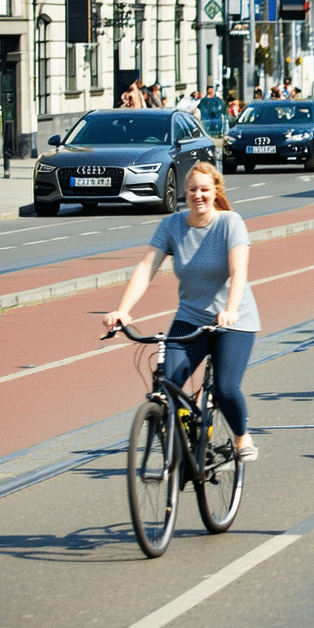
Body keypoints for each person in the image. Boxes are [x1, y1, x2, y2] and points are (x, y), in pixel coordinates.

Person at [103, 163, 261, 462]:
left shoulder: (230, 222)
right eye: (192, 190)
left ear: (216, 191)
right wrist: (122, 310)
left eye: (204, 189)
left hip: (234, 321)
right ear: (184, 193)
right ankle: (189, 436)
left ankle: (242, 437)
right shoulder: (172, 225)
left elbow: (238, 271)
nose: (198, 195)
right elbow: (147, 266)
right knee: (168, 382)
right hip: (190, 318)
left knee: (226, 388)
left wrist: (229, 311)